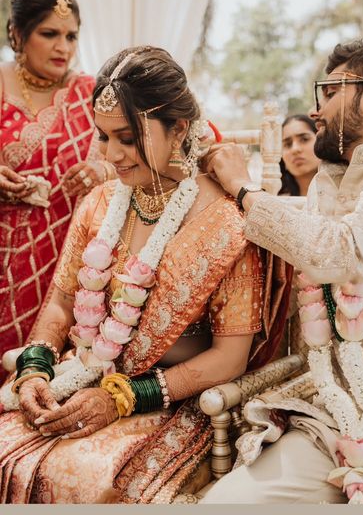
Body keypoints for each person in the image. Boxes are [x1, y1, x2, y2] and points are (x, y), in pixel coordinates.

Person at [0, 46, 289, 504]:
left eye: (128, 138)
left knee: (83, 478)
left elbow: (229, 359)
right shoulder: (98, 202)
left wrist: (121, 398)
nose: (111, 154)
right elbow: (60, 303)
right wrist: (35, 370)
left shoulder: (227, 224)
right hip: (81, 376)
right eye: (103, 137)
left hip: (171, 400)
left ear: (177, 129)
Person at [201, 37, 363, 504]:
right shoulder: (330, 180)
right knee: (225, 505)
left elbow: (343, 249)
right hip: (329, 415)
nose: (316, 109)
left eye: (328, 91)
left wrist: (242, 188)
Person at [0, 0, 114, 384]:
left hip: (78, 256)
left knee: (60, 369)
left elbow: (138, 152)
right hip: (9, 261)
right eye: (49, 34)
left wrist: (103, 171)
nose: (63, 47)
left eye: (71, 36)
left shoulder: (90, 92)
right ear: (17, 34)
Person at [279, 114, 320, 197]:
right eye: (287, 144)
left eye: (304, 139)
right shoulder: (276, 201)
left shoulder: (346, 197)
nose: (295, 149)